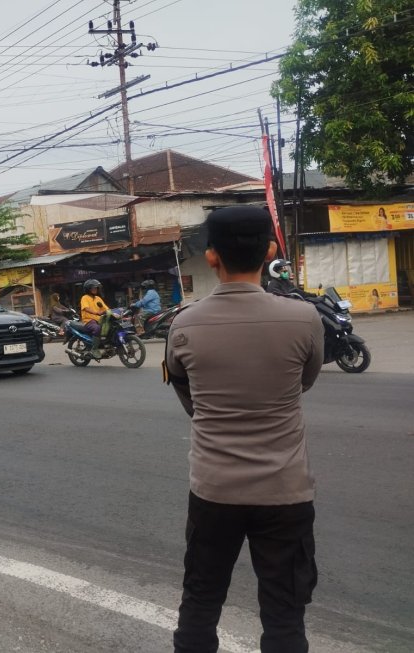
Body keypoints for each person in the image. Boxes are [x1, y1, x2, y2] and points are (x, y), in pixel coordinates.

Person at [164, 206, 324, 653]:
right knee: (285, 618)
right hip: (286, 492)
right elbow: (304, 382)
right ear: (270, 250)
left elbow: (184, 390)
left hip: (214, 491)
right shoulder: (304, 319)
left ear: (211, 257)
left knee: (200, 603)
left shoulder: (182, 325)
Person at [79, 279, 109, 359]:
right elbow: (86, 308)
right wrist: (96, 313)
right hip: (88, 321)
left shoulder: (98, 298)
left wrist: (113, 312)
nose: (95, 289)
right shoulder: (84, 298)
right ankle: (94, 349)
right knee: (97, 328)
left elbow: (106, 308)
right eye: (93, 288)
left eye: (96, 288)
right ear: (88, 289)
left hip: (99, 320)